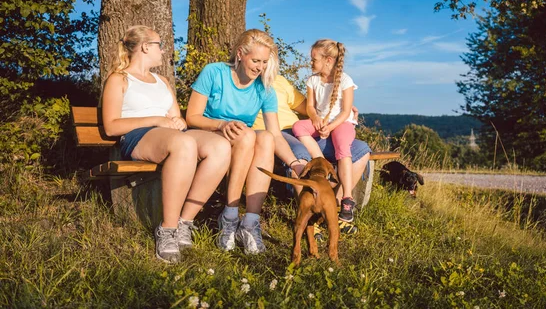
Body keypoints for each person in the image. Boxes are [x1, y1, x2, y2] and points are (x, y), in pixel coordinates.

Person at [102, 25, 231, 263]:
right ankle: (167, 229)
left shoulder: (161, 80)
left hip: (171, 136)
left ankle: (185, 222)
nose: (164, 51)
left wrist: (178, 121)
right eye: (159, 45)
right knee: (183, 144)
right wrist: (156, 120)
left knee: (220, 147)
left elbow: (176, 117)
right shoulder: (119, 79)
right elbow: (111, 126)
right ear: (145, 47)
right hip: (138, 136)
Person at [185, 29, 300, 255]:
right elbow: (192, 117)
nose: (260, 67)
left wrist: (295, 164)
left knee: (265, 137)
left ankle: (249, 223)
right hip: (207, 133)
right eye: (255, 60)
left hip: (241, 140)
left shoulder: (265, 88)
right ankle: (229, 216)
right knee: (247, 135)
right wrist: (220, 125)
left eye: (265, 62)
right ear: (240, 54)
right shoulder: (214, 72)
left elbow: (276, 134)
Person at [253, 74, 371, 233]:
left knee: (360, 150)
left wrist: (344, 112)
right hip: (275, 133)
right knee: (302, 157)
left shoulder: (280, 80)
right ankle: (308, 220)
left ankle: (333, 210)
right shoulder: (245, 84)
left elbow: (309, 108)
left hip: (299, 130)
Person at [292, 39, 359, 223]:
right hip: (320, 121)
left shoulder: (345, 80)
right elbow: (311, 107)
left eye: (314, 59)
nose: (310, 63)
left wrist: (330, 126)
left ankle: (347, 197)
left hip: (341, 122)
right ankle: (318, 159)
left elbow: (345, 111)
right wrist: (317, 120)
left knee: (342, 145)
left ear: (328, 60)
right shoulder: (313, 80)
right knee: (298, 127)